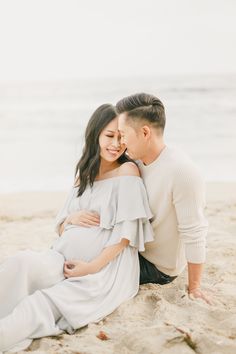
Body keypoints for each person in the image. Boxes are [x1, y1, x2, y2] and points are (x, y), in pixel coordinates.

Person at [0, 104, 154, 352]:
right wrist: (72, 218)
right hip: (61, 258)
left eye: (121, 137)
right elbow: (60, 227)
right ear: (95, 134)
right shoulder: (84, 174)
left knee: (39, 305)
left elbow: (127, 235)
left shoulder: (128, 171)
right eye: (109, 136)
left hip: (105, 270)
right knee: (22, 263)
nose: (116, 144)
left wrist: (91, 267)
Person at [116, 93, 210, 304]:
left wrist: (194, 288)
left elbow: (195, 233)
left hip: (158, 268)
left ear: (145, 132)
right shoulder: (137, 162)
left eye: (123, 134)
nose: (121, 142)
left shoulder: (182, 172)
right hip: (134, 251)